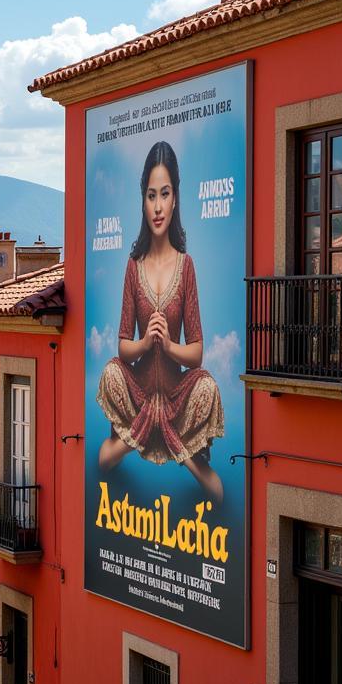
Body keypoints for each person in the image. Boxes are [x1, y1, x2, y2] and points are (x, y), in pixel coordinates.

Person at [96, 140, 224, 501]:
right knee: (109, 372)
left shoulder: (186, 265)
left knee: (209, 386)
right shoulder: (132, 266)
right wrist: (145, 343)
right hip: (138, 391)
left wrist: (168, 346)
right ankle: (143, 435)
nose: (157, 206)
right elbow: (123, 344)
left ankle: (173, 440)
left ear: (175, 198)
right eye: (150, 195)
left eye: (164, 194)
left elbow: (197, 351)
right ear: (142, 200)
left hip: (176, 394)